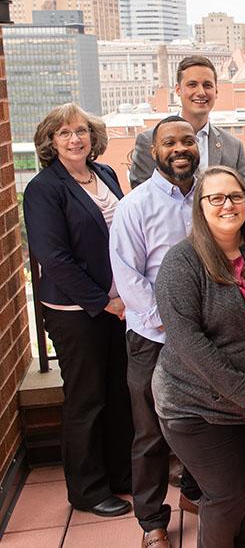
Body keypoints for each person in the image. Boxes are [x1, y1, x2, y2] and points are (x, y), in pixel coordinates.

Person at [153, 166, 245, 548]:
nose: (227, 205)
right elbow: (187, 341)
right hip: (196, 404)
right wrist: (243, 390)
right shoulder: (182, 262)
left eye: (235, 196)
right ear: (200, 207)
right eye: (215, 198)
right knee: (231, 493)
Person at [23, 104, 133, 518]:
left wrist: (125, 299)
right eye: (65, 132)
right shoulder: (44, 189)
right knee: (87, 399)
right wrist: (104, 301)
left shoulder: (104, 174)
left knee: (119, 393)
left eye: (82, 131)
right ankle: (87, 490)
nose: (75, 139)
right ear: (51, 141)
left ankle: (121, 475)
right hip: (77, 311)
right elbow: (53, 258)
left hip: (119, 307)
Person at [109, 116, 201, 548]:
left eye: (187, 140)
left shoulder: (212, 196)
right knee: (150, 432)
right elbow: (129, 279)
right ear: (153, 151)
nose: (180, 147)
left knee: (206, 421)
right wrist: (174, 321)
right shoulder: (136, 206)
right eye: (170, 142)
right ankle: (151, 522)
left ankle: (198, 496)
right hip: (154, 337)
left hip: (208, 334)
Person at [129, 55, 245, 188]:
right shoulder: (149, 141)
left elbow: (242, 198)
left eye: (207, 85)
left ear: (216, 91)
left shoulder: (233, 147)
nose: (201, 92)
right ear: (178, 90)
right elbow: (142, 198)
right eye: (192, 85)